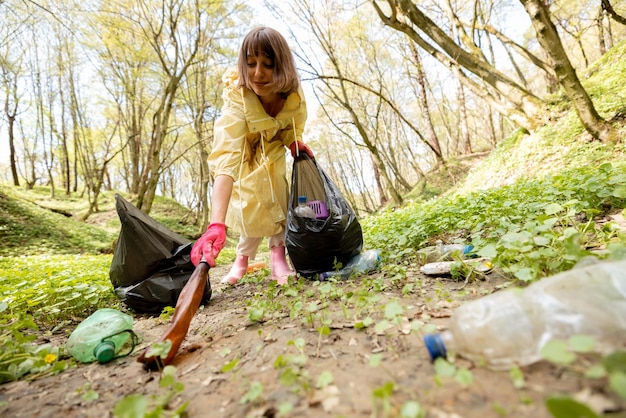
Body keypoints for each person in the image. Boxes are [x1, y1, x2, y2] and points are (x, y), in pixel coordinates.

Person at [190, 26, 314, 286]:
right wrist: (216, 224)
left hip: (273, 155)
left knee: (278, 197)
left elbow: (292, 128)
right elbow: (226, 155)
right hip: (246, 156)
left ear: (281, 66)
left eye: (267, 64)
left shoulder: (293, 96)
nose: (258, 73)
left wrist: (294, 143)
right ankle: (242, 259)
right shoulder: (237, 96)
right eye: (250, 63)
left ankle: (278, 255)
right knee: (248, 205)